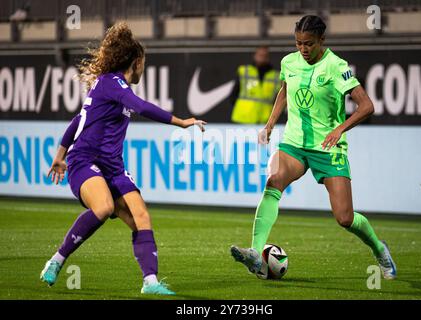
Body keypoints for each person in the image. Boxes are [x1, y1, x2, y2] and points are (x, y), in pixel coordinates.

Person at [40, 22, 206, 295]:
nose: (144, 68)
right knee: (104, 207)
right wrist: (181, 122)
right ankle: (57, 260)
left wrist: (59, 154)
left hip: (113, 167)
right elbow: (140, 106)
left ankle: (150, 283)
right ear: (136, 61)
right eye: (144, 63)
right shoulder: (112, 83)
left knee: (141, 216)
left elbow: (77, 120)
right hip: (85, 161)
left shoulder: (107, 85)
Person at [230, 16, 396, 280]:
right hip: (295, 142)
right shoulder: (289, 62)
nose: (303, 49)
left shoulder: (337, 66)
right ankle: (255, 251)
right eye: (298, 43)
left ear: (322, 41)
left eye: (308, 44)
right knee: (274, 182)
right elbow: (284, 91)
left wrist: (340, 128)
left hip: (328, 148)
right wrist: (270, 124)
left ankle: (379, 248)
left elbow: (366, 106)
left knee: (345, 218)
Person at [230, 46, 281, 124]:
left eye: (265, 56)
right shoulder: (244, 71)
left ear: (268, 58)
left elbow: (279, 99)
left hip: (265, 120)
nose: (262, 58)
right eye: (260, 55)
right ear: (255, 56)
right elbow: (233, 95)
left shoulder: (276, 76)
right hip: (242, 119)